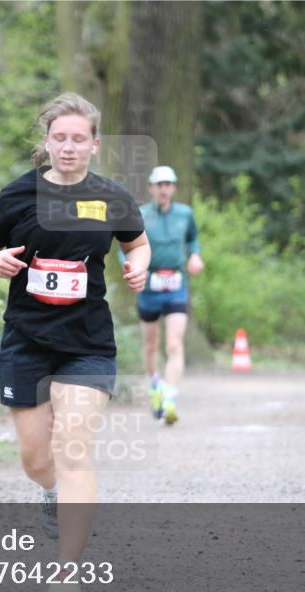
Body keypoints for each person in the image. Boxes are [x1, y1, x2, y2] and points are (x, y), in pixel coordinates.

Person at [0, 92, 150, 592]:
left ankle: (67, 572)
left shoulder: (112, 196)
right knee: (35, 458)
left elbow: (136, 241)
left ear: (94, 144)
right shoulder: (19, 194)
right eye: (59, 138)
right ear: (46, 142)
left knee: (73, 449)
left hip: (87, 341)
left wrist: (137, 263)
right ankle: (49, 490)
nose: (68, 147)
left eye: (78, 139)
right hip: (26, 338)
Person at [134, 165, 203, 425]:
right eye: (159, 184)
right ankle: (155, 385)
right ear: (151, 188)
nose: (163, 189)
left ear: (173, 188)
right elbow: (126, 247)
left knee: (174, 344)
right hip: (149, 286)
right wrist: (134, 269)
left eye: (168, 184)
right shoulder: (140, 215)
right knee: (151, 344)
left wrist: (195, 255)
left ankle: (170, 398)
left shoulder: (185, 214)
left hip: (176, 284)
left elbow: (193, 240)